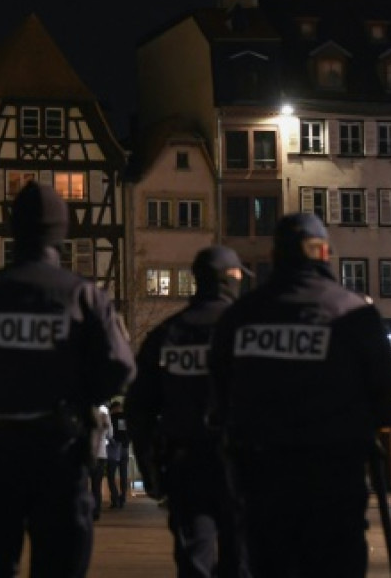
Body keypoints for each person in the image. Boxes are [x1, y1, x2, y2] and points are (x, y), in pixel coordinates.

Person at [0, 181, 136, 577]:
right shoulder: (84, 296)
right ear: (62, 232)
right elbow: (121, 368)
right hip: (61, 451)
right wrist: (80, 396)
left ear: (14, 228)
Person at [209, 213, 391, 577]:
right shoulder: (354, 312)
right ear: (324, 253)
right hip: (335, 472)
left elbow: (220, 388)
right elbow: (385, 394)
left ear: (275, 255)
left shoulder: (242, 316)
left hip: (263, 473)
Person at [128, 245, 250, 578]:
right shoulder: (248, 331)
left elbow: (138, 407)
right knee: (242, 559)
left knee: (194, 558)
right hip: (242, 464)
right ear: (232, 279)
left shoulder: (167, 334)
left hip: (185, 463)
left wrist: (150, 468)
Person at [104, 399, 131, 509]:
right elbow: (127, 433)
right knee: (123, 474)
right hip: (124, 448)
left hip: (113, 448)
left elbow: (109, 434)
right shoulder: (126, 418)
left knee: (111, 475)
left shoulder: (111, 418)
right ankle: (123, 498)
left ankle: (115, 499)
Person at [89, 403, 112, 520]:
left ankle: (85, 511)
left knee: (83, 484)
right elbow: (110, 434)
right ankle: (96, 511)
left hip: (87, 454)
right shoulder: (105, 414)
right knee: (96, 486)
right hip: (101, 454)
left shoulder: (87, 411)